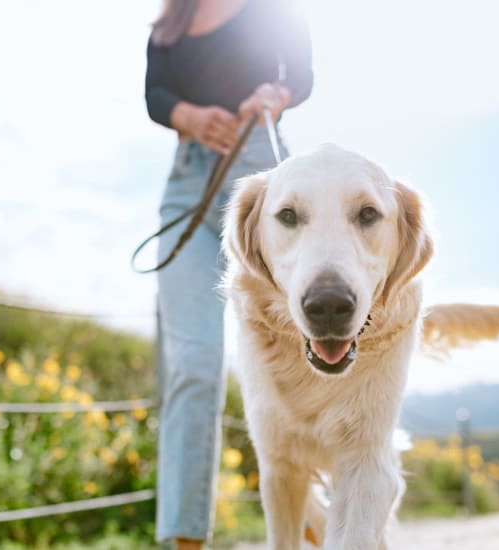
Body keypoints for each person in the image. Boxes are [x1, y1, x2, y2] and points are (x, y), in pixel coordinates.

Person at [144, 0, 313, 548]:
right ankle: (185, 540)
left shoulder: (273, 10)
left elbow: (302, 75)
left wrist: (277, 96)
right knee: (193, 361)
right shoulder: (170, 23)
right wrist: (190, 117)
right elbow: (155, 97)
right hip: (187, 184)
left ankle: (321, 520)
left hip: (262, 171)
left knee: (293, 352)